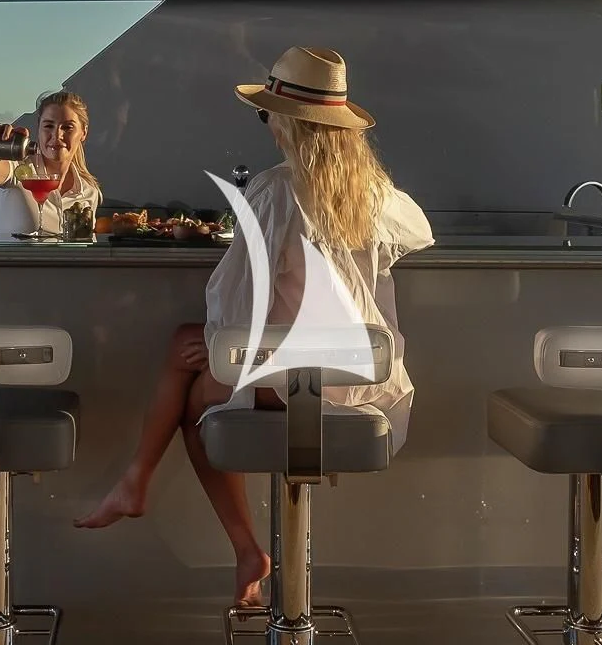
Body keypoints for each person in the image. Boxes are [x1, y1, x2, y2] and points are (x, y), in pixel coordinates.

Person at [75, 46, 434, 607]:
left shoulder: (273, 192)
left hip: (295, 374)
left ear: (288, 123)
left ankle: (222, 532)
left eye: (267, 114)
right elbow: (419, 232)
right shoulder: (376, 193)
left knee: (198, 398)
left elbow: (239, 306)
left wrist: (223, 342)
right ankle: (139, 485)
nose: (266, 126)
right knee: (186, 346)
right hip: (363, 374)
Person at [0, 90, 102, 239]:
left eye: (67, 127)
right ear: (39, 129)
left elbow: (85, 246)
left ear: (83, 132)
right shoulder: (21, 169)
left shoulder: (88, 191)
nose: (57, 135)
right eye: (48, 126)